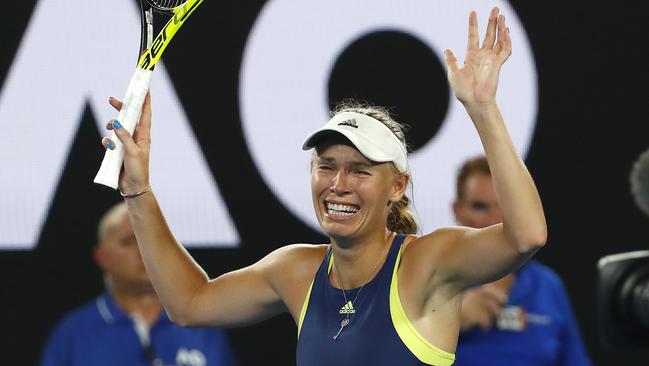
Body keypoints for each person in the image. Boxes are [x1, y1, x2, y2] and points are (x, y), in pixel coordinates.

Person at [101, 7, 546, 365]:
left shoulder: (427, 263)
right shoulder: (295, 271)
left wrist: (483, 109)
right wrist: (137, 190)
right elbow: (189, 304)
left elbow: (526, 235)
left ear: (398, 186)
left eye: (359, 170)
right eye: (326, 166)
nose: (338, 184)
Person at [40, 203, 237, 366]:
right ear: (102, 256)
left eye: (151, 240)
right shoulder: (74, 333)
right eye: (129, 241)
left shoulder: (200, 325)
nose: (143, 250)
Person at [452, 156, 591, 365]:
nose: (493, 220)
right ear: (458, 211)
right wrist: (450, 321)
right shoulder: (434, 279)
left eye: (503, 206)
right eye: (480, 206)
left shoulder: (547, 285)